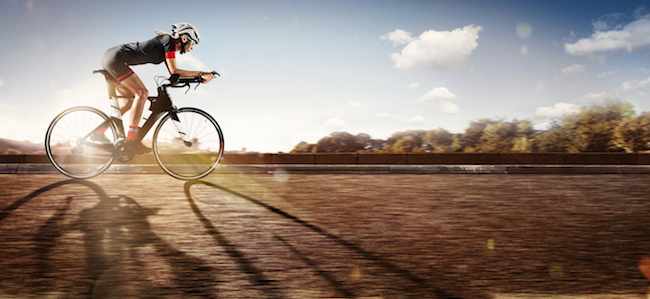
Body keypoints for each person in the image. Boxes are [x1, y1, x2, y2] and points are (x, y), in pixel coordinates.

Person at [97, 22, 215, 154]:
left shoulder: (167, 47)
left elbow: (174, 74)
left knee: (129, 101)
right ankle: (131, 141)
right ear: (184, 38)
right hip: (115, 58)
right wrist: (200, 73)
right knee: (141, 93)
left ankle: (98, 132)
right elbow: (174, 70)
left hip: (113, 58)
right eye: (192, 43)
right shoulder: (168, 41)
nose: (192, 48)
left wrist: (199, 79)